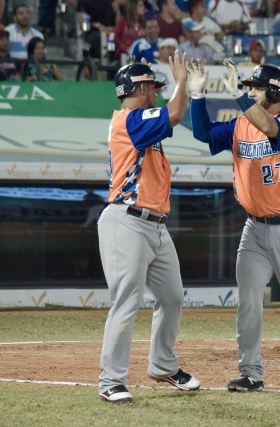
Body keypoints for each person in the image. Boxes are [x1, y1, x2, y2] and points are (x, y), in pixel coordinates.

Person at [188, 60, 280, 391]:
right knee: (249, 299)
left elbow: (268, 127)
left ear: (275, 91)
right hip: (254, 228)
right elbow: (203, 133)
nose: (251, 90)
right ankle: (251, 371)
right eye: (250, 86)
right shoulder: (240, 124)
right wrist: (197, 95)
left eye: (256, 86)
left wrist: (241, 96)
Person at [97, 52, 201, 403]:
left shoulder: (141, 122)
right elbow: (174, 113)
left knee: (171, 298)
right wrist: (183, 83)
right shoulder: (128, 119)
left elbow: (171, 114)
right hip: (126, 220)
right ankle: (110, 380)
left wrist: (183, 88)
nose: (156, 91)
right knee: (126, 302)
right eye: (152, 87)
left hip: (155, 224)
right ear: (139, 87)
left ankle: (162, 364)